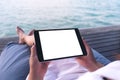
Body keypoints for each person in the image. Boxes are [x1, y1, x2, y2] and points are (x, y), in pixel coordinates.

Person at [0, 27, 111, 80]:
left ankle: (23, 38)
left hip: (47, 74)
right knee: (63, 45)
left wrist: (36, 75)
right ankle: (27, 38)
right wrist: (93, 65)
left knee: (40, 46)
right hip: (88, 69)